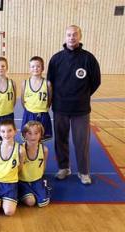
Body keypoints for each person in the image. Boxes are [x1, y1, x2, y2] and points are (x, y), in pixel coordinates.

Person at [47, 25, 101, 185]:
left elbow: (96, 81)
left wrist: (83, 96)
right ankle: (64, 168)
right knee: (60, 140)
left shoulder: (88, 58)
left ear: (80, 36)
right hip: (60, 108)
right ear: (65, 37)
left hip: (81, 109)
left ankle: (83, 172)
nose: (72, 37)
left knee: (81, 142)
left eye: (75, 34)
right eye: (69, 35)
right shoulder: (56, 59)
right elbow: (50, 82)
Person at [0, 119, 23, 216]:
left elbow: (20, 166)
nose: (6, 134)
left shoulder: (20, 149)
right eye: (3, 131)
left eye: (9, 130)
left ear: (15, 131)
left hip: (10, 183)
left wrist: (10, 174)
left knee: (9, 212)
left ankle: (7, 200)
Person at [17, 121, 50, 207]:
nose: (33, 136)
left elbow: (43, 166)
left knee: (42, 203)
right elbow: (17, 169)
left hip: (37, 180)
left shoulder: (44, 149)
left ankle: (43, 186)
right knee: (31, 202)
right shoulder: (20, 149)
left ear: (41, 135)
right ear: (24, 135)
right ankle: (20, 192)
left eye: (36, 133)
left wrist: (39, 176)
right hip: (23, 181)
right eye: (29, 133)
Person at [20, 56, 52, 141]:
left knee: (40, 139)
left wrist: (43, 108)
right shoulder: (25, 83)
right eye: (33, 66)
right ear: (29, 68)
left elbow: (49, 100)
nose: (35, 68)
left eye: (38, 66)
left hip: (42, 115)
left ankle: (39, 154)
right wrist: (29, 110)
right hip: (29, 114)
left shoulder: (47, 83)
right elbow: (22, 100)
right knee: (28, 138)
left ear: (42, 68)